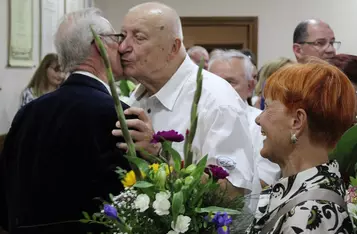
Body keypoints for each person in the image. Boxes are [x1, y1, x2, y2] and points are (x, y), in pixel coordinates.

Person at [0, 8, 131, 234]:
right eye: (117, 38)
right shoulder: (116, 114)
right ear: (99, 45)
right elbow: (125, 200)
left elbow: (5, 196)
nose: (121, 47)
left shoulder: (27, 113)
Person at [114, 2, 259, 202]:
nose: (122, 47)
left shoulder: (216, 100)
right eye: (122, 36)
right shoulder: (135, 99)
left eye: (138, 38)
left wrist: (159, 155)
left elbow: (232, 192)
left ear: (173, 47)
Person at [246, 63, 355, 233]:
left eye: (267, 107)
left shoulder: (308, 212)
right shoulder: (308, 194)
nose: (258, 119)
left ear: (297, 121)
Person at [208, 49, 280, 187]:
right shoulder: (192, 120)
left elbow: (265, 181)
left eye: (230, 82)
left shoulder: (263, 125)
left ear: (250, 86)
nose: (220, 89)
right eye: (213, 82)